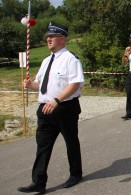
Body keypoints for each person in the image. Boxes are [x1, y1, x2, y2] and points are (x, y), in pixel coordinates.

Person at [18, 22, 84, 193]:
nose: (48, 39)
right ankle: (38, 182)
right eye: (47, 36)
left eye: (52, 36)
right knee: (42, 146)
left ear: (62, 39)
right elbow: (40, 83)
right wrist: (30, 84)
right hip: (45, 109)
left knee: (71, 142)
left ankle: (75, 174)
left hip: (65, 108)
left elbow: (75, 83)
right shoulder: (46, 61)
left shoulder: (71, 59)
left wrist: (57, 100)